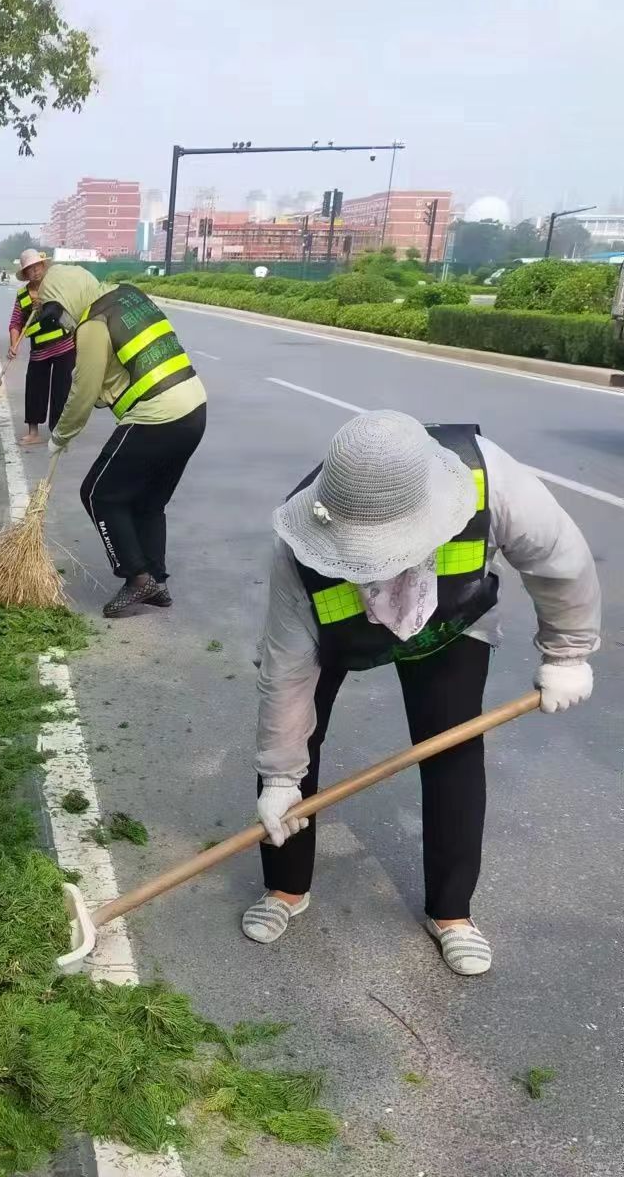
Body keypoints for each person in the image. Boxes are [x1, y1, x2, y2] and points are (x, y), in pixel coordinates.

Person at [244, 410, 600, 976]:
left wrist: (569, 652)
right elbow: (287, 674)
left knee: (451, 748)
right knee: (290, 752)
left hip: (450, 618)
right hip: (339, 628)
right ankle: (285, 888)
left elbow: (560, 559)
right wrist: (282, 774)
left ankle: (452, 913)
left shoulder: (492, 480)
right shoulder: (301, 542)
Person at [30, 264, 207, 618]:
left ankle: (137, 578)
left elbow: (83, 392)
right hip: (194, 408)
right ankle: (157, 581)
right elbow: (120, 368)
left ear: (68, 298)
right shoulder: (127, 295)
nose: (63, 324)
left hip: (157, 415)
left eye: (60, 313)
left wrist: (61, 435)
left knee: (97, 492)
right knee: (149, 501)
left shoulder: (93, 323)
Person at [8, 249, 76, 448]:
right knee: (35, 389)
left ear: (43, 267)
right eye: (30, 269)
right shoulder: (22, 296)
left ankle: (58, 434)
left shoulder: (55, 288)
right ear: (25, 273)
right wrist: (14, 345)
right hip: (39, 352)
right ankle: (33, 433)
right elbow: (15, 323)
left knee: (61, 391)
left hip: (65, 347)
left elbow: (71, 307)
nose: (35, 271)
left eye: (37, 267)